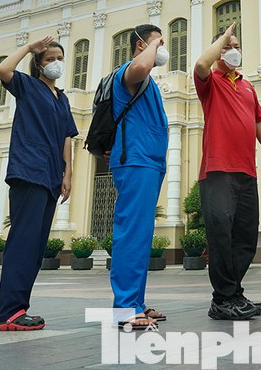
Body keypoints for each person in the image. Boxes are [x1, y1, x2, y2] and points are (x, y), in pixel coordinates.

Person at [193, 24, 261, 321]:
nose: (234, 51)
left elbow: (259, 122)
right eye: (228, 46)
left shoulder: (247, 85)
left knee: (245, 236)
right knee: (221, 235)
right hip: (218, 170)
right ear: (218, 50)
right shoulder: (210, 81)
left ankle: (234, 293)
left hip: (247, 171)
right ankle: (222, 299)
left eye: (237, 45)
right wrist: (222, 38)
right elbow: (201, 64)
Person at [0, 36, 79, 331]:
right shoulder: (27, 86)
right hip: (29, 171)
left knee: (36, 246)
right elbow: (3, 70)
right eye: (49, 59)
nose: (56, 63)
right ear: (39, 65)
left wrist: (68, 173)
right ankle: (7, 312)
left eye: (59, 58)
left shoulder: (62, 98)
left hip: (52, 176)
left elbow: (68, 136)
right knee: (23, 242)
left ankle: (18, 309)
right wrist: (29, 47)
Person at [107, 24, 170, 331]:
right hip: (134, 161)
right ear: (141, 44)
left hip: (150, 162)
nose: (162, 48)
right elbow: (142, 65)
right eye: (159, 42)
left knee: (141, 236)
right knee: (131, 233)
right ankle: (124, 308)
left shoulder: (149, 83)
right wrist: (152, 46)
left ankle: (137, 302)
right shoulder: (129, 72)